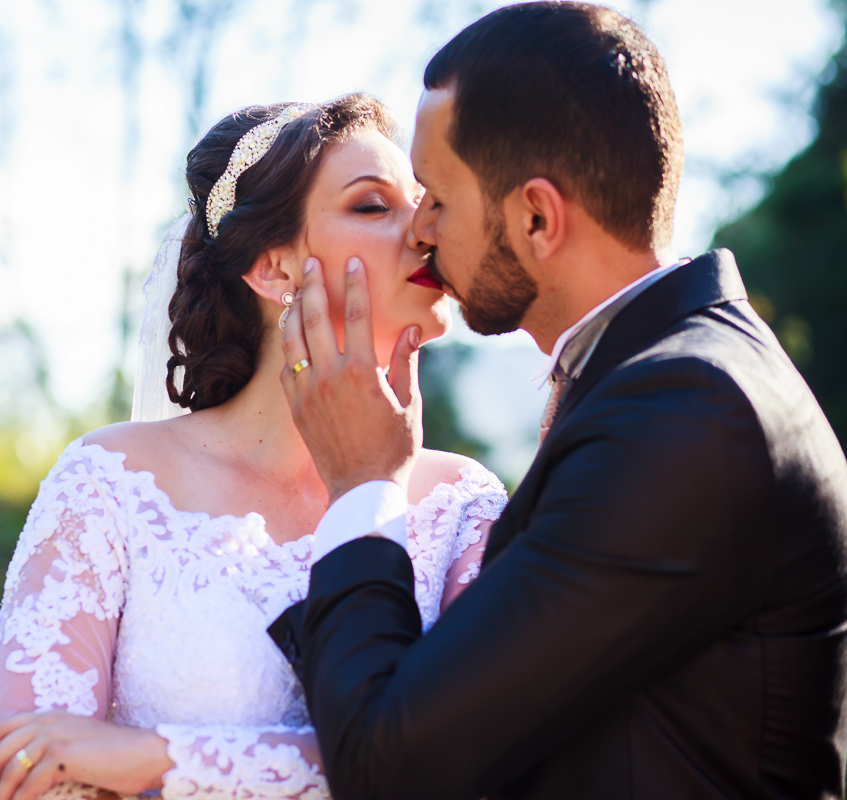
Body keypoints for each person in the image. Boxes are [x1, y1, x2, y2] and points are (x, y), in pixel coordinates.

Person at [269, 3, 847, 799]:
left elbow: (389, 765)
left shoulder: (687, 415)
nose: (422, 230)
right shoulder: (654, 381)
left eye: (437, 196)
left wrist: (364, 483)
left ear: (536, 216)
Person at [0, 93, 509, 800]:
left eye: (423, 201)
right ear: (274, 268)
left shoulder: (466, 505)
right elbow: (18, 775)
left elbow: (482, 763)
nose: (426, 231)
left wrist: (152, 758)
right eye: (374, 206)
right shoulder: (113, 483)